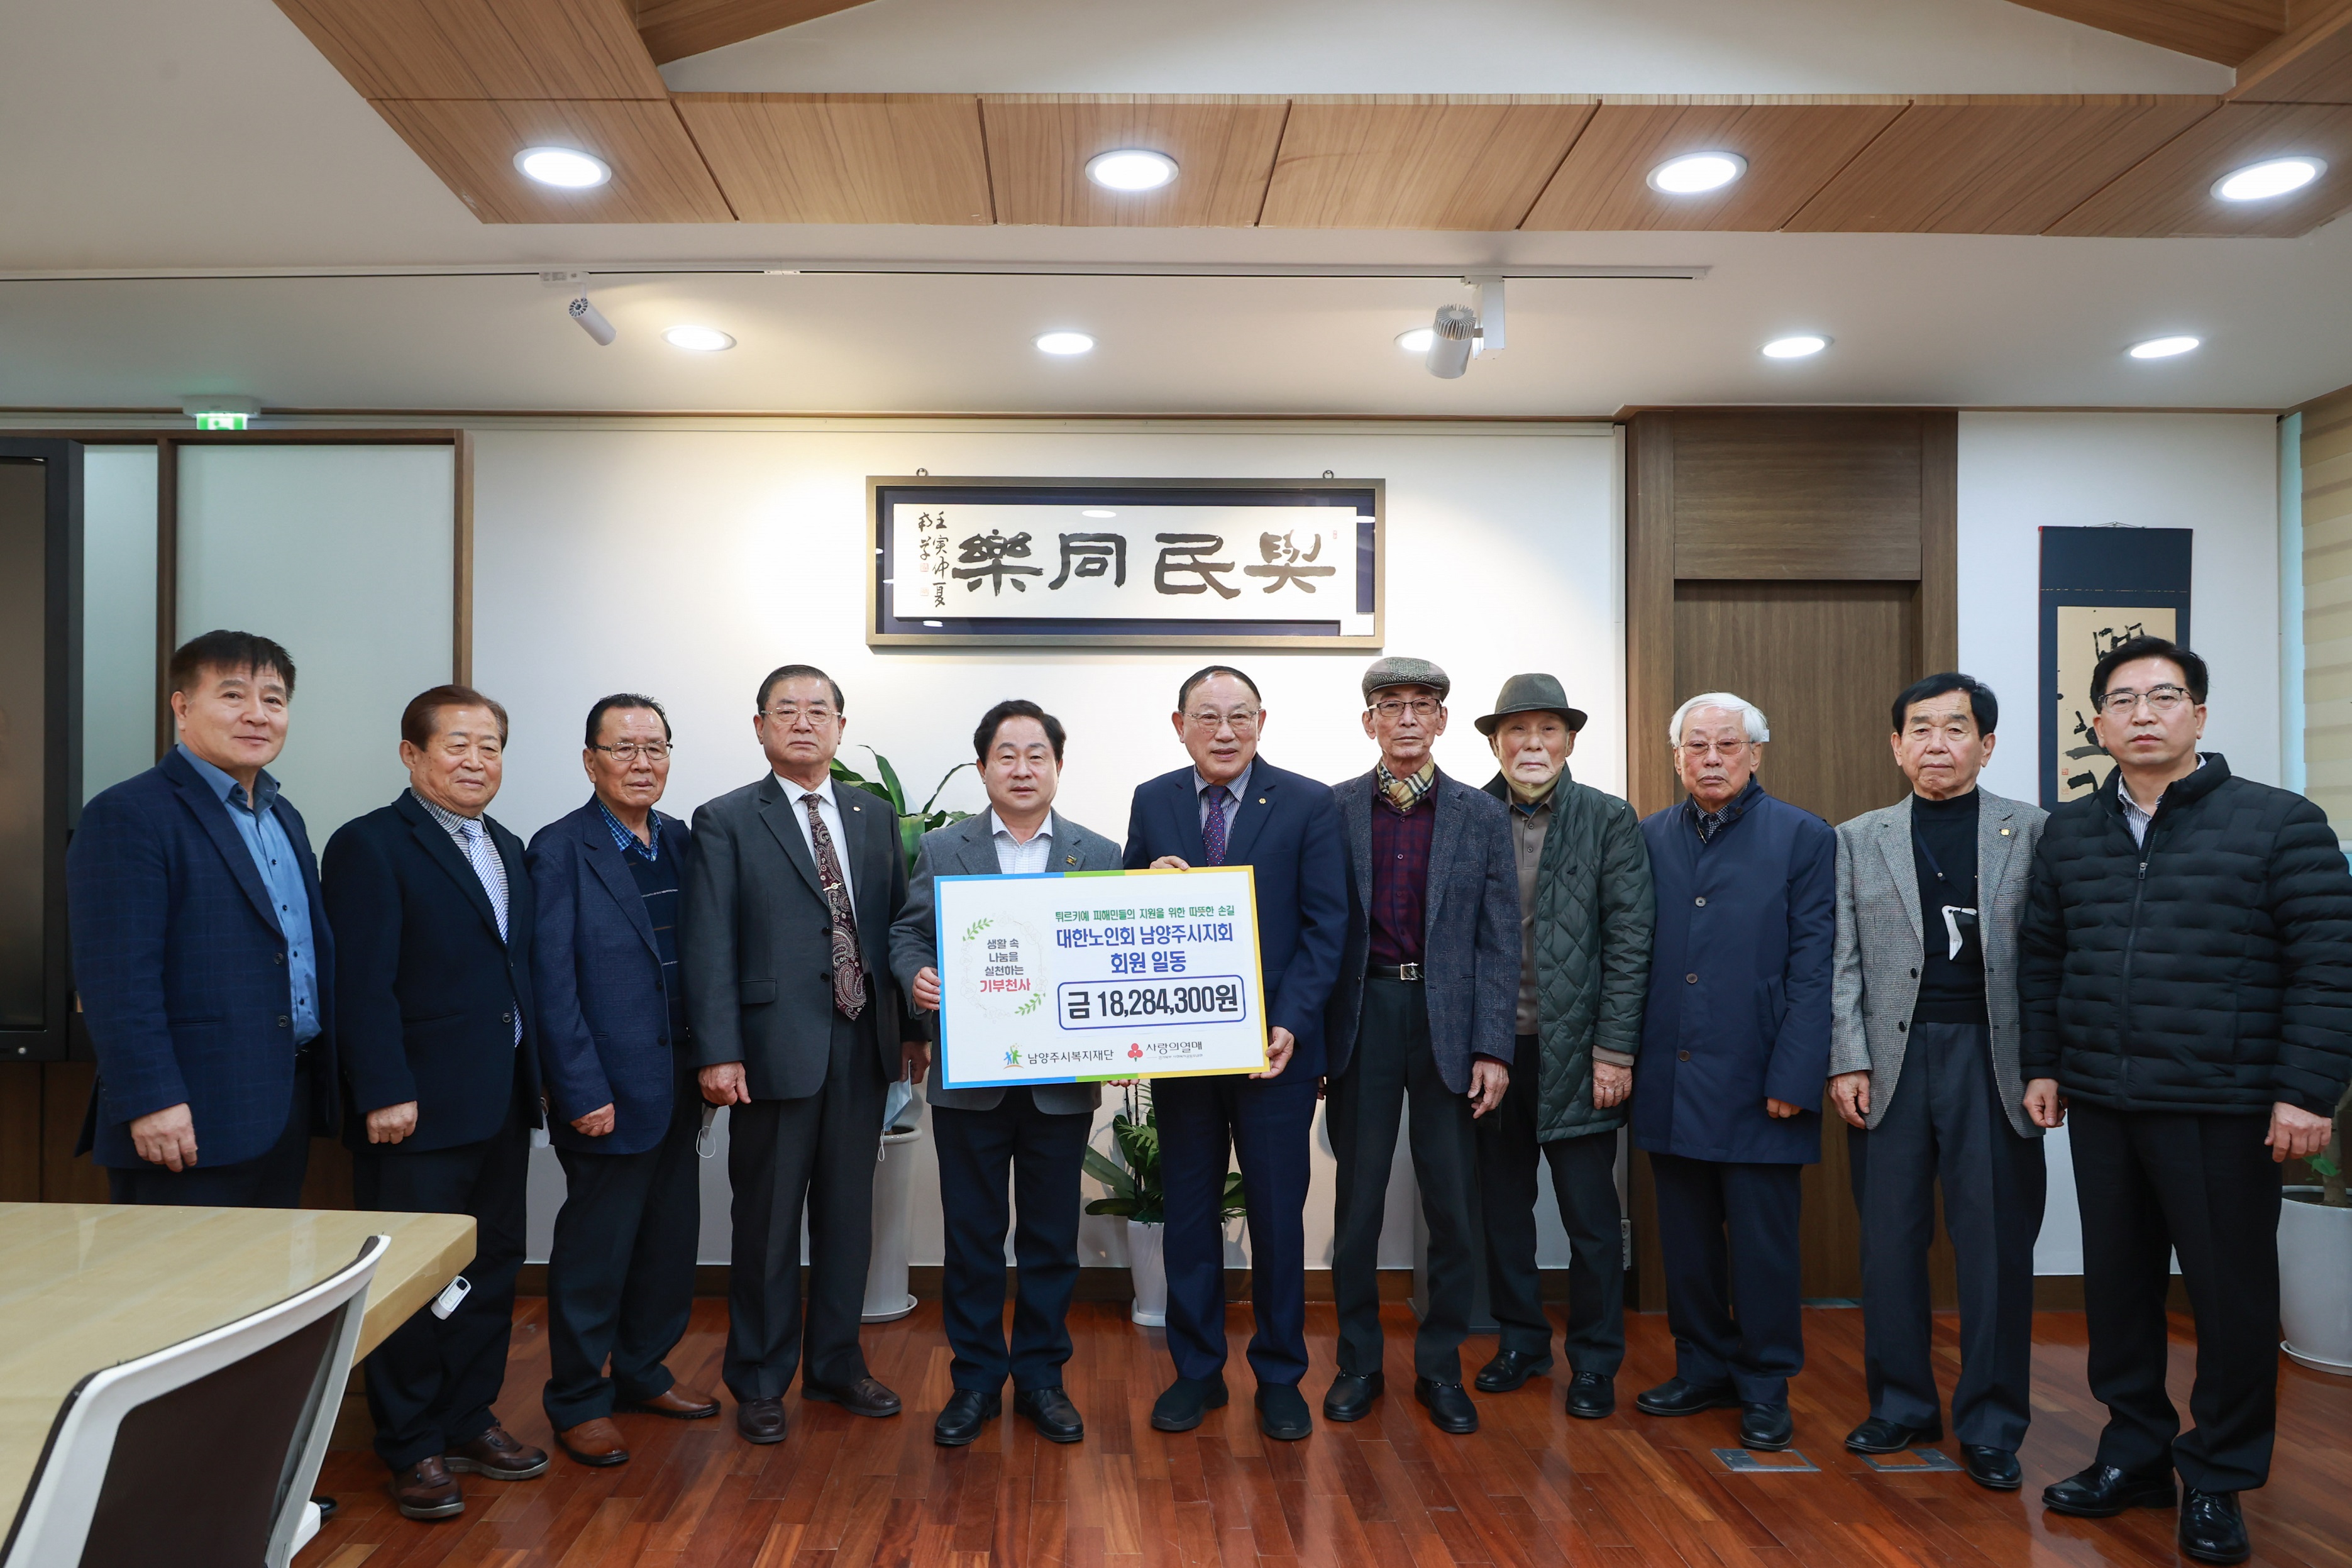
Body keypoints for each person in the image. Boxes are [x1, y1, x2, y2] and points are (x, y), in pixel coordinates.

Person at [2020, 636, 2352, 1567]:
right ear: (2097, 723)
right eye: (2122, 700)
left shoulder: (2279, 822)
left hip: (2224, 1104)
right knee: (2119, 1292)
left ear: (2198, 714)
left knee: (2230, 1299)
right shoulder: (2069, 832)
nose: (2143, 714)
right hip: (2104, 1100)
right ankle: (2133, 1454)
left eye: (2164, 697)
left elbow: (2330, 966)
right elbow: (2044, 957)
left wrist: (2305, 1090)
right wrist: (2044, 1064)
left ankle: (2218, 1475)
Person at [325, 685, 549, 1521]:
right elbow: (362, 983)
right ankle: (412, 1442)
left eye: (490, 746)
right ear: (411, 754)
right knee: (410, 1278)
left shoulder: (508, 846)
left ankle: (468, 1417)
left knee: (490, 1267)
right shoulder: (370, 844)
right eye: (457, 744)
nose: (476, 761)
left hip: (500, 1100)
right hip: (413, 1109)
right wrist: (384, 1087)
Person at [683, 664, 922, 1446]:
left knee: (849, 1220)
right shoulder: (725, 819)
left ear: (841, 727)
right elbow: (709, 943)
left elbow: (896, 929)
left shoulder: (873, 814)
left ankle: (836, 1365)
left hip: (862, 1044)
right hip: (770, 1052)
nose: (803, 722)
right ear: (760, 727)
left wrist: (911, 1032)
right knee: (767, 1226)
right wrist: (719, 1051)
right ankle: (759, 1378)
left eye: (819, 710)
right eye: (785, 710)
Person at [1828, 674, 2047, 1491]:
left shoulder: (2034, 832)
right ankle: (1901, 1405)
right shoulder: (1858, 838)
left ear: (1985, 744)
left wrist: (2047, 1064)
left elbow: (2053, 956)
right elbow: (1841, 960)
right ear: (1897, 745)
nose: (1936, 744)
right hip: (1891, 1062)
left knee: (1994, 1248)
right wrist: (1846, 1057)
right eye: (1920, 729)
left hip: (1995, 1059)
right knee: (1889, 1242)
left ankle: (1991, 1423)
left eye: (1956, 729)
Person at [1122, 664, 1348, 1441]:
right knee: (1188, 1211)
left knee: (1277, 1214)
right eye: (1208, 716)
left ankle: (1280, 1374)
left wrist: (1291, 1022)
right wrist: (1144, 881)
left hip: (1274, 1053)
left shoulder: (1308, 802)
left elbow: (1326, 925)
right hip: (1185, 1049)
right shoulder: (1154, 799)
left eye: (1240, 715)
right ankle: (1197, 1371)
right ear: (1179, 724)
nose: (1225, 731)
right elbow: (1124, 912)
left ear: (1262, 721)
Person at [891, 699, 1124, 1447]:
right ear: (983, 766)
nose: (1022, 769)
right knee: (973, 1239)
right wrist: (917, 975)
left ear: (1058, 766)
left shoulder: (1100, 852)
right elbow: (907, 932)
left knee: (1051, 1240)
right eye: (1006, 755)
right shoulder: (944, 847)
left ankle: (1043, 1380)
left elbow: (1117, 953)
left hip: (1060, 1086)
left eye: (1036, 755)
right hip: (971, 1082)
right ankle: (976, 1382)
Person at [1631, 692, 1834, 1453]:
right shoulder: (1649, 836)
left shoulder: (1803, 837)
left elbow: (1815, 968)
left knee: (1762, 1247)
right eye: (1697, 745)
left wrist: (1795, 1074)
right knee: (1685, 1242)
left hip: (1762, 1077)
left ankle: (1765, 1384)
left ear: (1756, 753)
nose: (1711, 758)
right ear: (1677, 756)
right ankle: (1702, 1367)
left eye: (1727, 744)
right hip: (1670, 1072)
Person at [1321, 657, 1520, 1434]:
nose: (1407, 718)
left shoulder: (1480, 815)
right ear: (1368, 720)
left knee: (1452, 1208)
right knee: (1358, 1207)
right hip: (1363, 1016)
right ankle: (1358, 1364)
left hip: (1451, 1025)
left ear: (1441, 720)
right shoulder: (1333, 808)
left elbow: (1500, 942)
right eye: (1391, 704)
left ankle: (1440, 1368)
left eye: (1422, 705)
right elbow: (1315, 925)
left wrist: (1493, 1047)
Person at [70, 630, 336, 1208]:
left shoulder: (284, 816)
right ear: (183, 707)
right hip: (184, 1114)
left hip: (284, 1102)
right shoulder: (128, 814)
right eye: (233, 695)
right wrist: (151, 1100)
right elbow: (118, 979)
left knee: (272, 1267)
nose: (257, 715)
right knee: (177, 1270)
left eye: (273, 699)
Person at [526, 694, 720, 1469]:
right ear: (590, 760)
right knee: (595, 1252)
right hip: (606, 1085)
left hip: (679, 1079)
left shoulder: (681, 841)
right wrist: (579, 1090)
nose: (642, 763)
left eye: (655, 748)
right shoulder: (559, 849)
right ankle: (578, 1398)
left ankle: (643, 1371)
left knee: (668, 1242)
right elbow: (551, 985)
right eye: (624, 749)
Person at [1470, 673, 1654, 1420]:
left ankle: (1596, 1361)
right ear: (1495, 743)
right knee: (1503, 1213)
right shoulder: (1468, 815)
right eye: (1517, 730)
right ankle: (1521, 1342)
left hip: (1580, 1055)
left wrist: (1615, 1050)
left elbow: (1631, 941)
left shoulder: (1609, 819)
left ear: (1570, 740)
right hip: (1492, 1055)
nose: (1532, 744)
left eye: (1548, 729)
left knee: (1591, 1219)